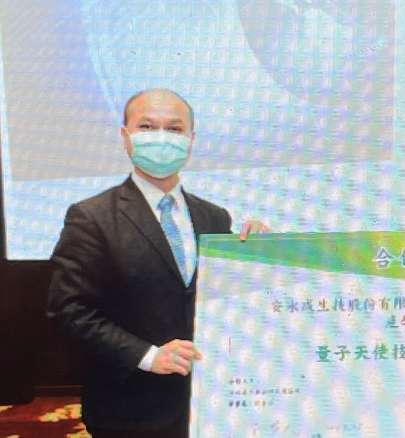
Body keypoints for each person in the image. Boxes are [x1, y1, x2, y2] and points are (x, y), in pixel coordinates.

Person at [47, 88, 268, 437]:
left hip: (209, 400)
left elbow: (227, 301)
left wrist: (260, 254)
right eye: (147, 126)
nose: (162, 137)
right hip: (129, 407)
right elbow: (69, 310)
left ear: (191, 140)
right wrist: (148, 356)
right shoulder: (91, 217)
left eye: (175, 128)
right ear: (126, 137)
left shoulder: (214, 217)